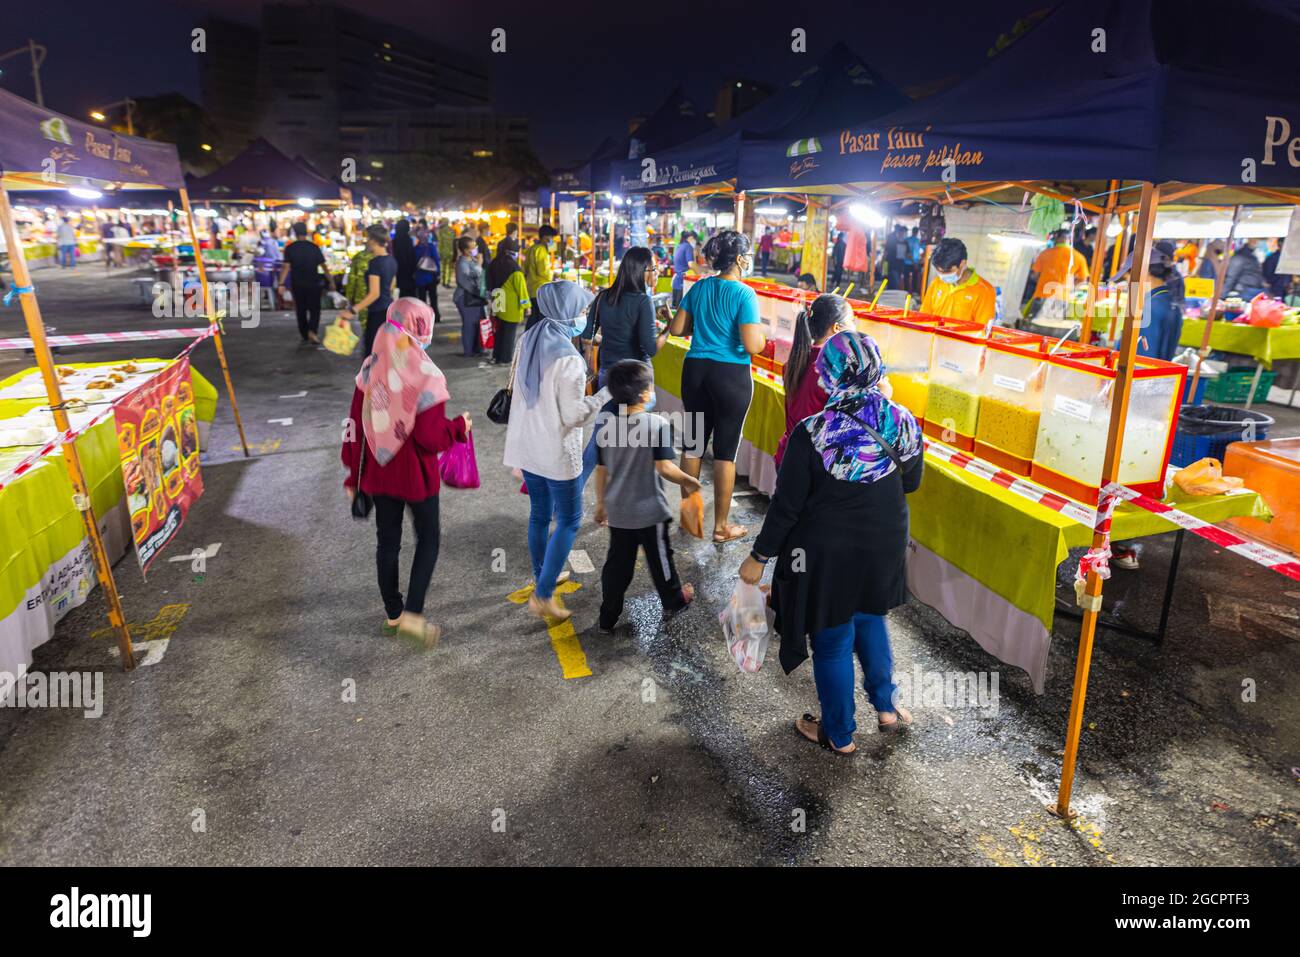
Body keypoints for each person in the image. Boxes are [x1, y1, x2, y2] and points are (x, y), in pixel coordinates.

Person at [738, 331, 922, 753]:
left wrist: (759, 557)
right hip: (885, 541)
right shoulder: (902, 419)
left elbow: (786, 507)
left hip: (829, 551)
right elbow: (910, 482)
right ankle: (888, 709)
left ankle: (839, 734)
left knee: (833, 637)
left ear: (830, 375)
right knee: (871, 617)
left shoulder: (813, 432)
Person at [342, 297, 471, 648]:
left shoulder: (371, 367)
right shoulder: (426, 375)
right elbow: (430, 438)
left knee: (388, 541)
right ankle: (413, 618)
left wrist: (353, 477)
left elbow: (354, 425)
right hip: (415, 476)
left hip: (379, 474)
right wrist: (458, 426)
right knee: (428, 539)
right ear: (420, 328)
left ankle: (394, 613)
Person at [503, 281, 611, 621]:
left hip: (527, 445)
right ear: (564, 313)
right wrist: (606, 394)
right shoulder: (569, 360)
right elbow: (575, 414)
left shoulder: (529, 339)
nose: (583, 318)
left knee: (538, 515)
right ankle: (544, 594)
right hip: (556, 452)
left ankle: (542, 574)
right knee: (568, 521)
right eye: (580, 311)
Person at [667, 229, 766, 543]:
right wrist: (762, 339)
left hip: (695, 370)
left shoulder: (700, 287)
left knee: (693, 444)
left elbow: (678, 328)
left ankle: (688, 518)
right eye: (747, 256)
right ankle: (721, 527)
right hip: (731, 375)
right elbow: (752, 344)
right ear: (738, 259)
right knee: (725, 452)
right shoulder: (744, 294)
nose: (748, 261)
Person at [593, 359, 701, 631]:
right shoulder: (656, 425)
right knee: (660, 559)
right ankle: (674, 599)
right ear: (643, 394)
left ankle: (608, 614)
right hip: (649, 512)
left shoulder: (606, 428)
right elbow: (664, 468)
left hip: (618, 512)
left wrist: (601, 504)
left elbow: (601, 471)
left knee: (618, 565)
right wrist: (689, 480)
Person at [774, 294, 855, 467]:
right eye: (852, 321)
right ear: (837, 328)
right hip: (815, 463)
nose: (855, 328)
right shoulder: (836, 369)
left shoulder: (795, 362)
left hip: (789, 456)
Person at [582, 246, 664, 387]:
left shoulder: (603, 296)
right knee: (631, 410)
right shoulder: (643, 301)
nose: (657, 272)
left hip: (607, 375)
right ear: (642, 271)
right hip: (635, 379)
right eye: (654, 268)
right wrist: (669, 326)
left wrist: (610, 339)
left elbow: (587, 336)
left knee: (608, 410)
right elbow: (651, 349)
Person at [340, 224, 396, 357]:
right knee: (383, 352)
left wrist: (352, 310)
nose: (366, 241)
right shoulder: (391, 260)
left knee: (372, 354)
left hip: (376, 312)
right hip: (388, 309)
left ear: (373, 240)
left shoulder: (375, 263)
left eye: (368, 238)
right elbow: (392, 286)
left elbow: (374, 294)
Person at [278, 220, 334, 345]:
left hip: (297, 284)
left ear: (295, 233)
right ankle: (312, 331)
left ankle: (304, 334)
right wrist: (331, 280)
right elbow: (324, 266)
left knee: (301, 309)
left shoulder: (290, 248)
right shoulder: (314, 247)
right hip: (314, 283)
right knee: (315, 309)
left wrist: (281, 284)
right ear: (307, 232)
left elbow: (286, 267)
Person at [919, 238, 997, 323]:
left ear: (962, 264)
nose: (942, 276)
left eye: (947, 271)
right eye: (939, 271)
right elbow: (924, 317)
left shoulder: (985, 291)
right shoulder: (936, 283)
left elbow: (983, 331)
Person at [486, 236, 530, 364]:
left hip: (498, 301)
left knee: (499, 331)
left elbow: (489, 283)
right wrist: (527, 306)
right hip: (511, 306)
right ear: (509, 251)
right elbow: (521, 290)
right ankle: (505, 358)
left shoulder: (494, 263)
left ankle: (497, 356)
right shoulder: (515, 268)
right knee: (509, 334)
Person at [1026, 229, 1088, 317]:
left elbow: (1035, 276)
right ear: (1070, 240)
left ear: (1057, 238)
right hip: (1062, 298)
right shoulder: (1079, 257)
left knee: (1032, 326)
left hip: (1041, 295)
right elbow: (1082, 281)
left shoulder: (1045, 253)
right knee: (1053, 327)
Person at [453, 236, 488, 358]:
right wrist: (479, 265)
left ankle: (477, 349)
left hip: (473, 298)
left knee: (476, 324)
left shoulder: (471, 260)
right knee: (469, 325)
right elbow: (466, 283)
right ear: (466, 250)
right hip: (465, 298)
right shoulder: (462, 263)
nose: (476, 249)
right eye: (473, 248)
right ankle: (468, 351)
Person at [412, 228, 441, 322]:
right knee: (433, 298)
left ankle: (423, 318)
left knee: (422, 300)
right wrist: (438, 273)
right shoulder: (431, 247)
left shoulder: (415, 249)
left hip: (420, 278)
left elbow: (414, 263)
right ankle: (436, 317)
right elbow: (436, 260)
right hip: (431, 277)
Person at [524, 225, 556, 298]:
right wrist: (553, 274)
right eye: (551, 238)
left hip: (531, 288)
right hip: (540, 289)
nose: (552, 240)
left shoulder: (532, 248)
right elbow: (543, 271)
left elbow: (525, 267)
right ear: (545, 238)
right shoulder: (541, 250)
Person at [392, 218, 418, 299]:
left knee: (402, 293)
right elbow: (411, 256)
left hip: (398, 271)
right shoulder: (408, 240)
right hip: (408, 272)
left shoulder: (394, 241)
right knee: (409, 295)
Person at [671, 230, 697, 308]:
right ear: (691, 238)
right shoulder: (688, 247)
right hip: (682, 282)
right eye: (695, 239)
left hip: (676, 282)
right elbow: (691, 264)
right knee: (681, 309)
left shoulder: (680, 246)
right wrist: (702, 273)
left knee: (675, 309)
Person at [883, 224, 910, 292]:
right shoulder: (892, 241)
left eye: (903, 233)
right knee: (894, 282)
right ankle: (891, 295)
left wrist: (913, 261)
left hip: (900, 266)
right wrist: (883, 263)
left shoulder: (905, 242)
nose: (902, 234)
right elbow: (886, 252)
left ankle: (892, 295)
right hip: (892, 265)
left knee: (895, 282)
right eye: (901, 232)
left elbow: (907, 254)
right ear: (898, 232)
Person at [437, 218, 457, 288]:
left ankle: (443, 281)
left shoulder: (440, 231)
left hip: (443, 252)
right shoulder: (452, 231)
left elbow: (440, 243)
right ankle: (447, 282)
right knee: (449, 268)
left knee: (443, 267)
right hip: (451, 252)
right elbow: (455, 242)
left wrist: (438, 252)